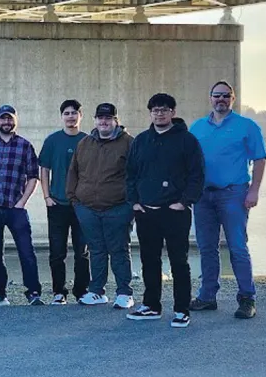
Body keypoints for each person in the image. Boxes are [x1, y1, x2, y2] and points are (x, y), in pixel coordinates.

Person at [125, 93, 205, 328]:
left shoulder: (187, 140)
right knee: (149, 260)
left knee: (179, 261)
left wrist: (184, 201)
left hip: (175, 212)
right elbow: (130, 174)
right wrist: (135, 202)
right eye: (155, 110)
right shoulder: (141, 140)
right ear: (150, 113)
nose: (159, 113)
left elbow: (197, 175)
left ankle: (181, 309)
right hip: (146, 211)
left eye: (164, 109)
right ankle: (151, 305)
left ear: (173, 112)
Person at [189, 81, 266, 319]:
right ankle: (207, 296)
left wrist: (254, 191)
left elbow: (260, 159)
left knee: (237, 247)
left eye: (226, 96)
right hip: (203, 195)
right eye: (216, 95)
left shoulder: (247, 126)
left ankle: (246, 298)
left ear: (233, 98)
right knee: (206, 247)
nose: (220, 99)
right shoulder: (197, 127)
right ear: (210, 98)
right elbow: (189, 161)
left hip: (233, 193)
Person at [66, 103, 135, 309]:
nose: (104, 122)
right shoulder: (85, 143)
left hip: (118, 207)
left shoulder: (129, 143)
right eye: (100, 118)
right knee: (96, 250)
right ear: (94, 120)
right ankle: (97, 291)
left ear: (116, 120)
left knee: (119, 249)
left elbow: (137, 175)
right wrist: (74, 199)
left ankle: (124, 292)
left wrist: (131, 203)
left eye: (108, 118)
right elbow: (73, 172)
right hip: (87, 208)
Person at [0, 105, 43, 306]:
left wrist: (22, 202)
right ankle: (0, 293)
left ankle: (33, 292)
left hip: (15, 208)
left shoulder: (24, 146)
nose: (6, 122)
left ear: (15, 120)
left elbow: (33, 176)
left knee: (26, 251)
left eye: (10, 119)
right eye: (3, 119)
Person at [39, 100, 89, 305]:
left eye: (74, 113)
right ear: (61, 116)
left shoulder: (88, 141)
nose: (71, 116)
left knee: (82, 251)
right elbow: (44, 169)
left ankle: (82, 291)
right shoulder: (52, 141)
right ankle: (59, 292)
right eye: (67, 113)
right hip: (57, 204)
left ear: (80, 116)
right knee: (57, 251)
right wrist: (47, 197)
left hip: (81, 205)